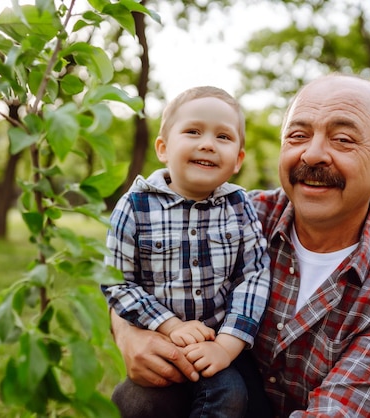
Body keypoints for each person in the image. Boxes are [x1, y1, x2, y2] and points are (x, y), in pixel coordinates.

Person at [108, 74, 370, 417]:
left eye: (343, 139)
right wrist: (130, 334)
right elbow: (125, 273)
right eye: (298, 136)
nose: (314, 154)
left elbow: (339, 410)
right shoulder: (235, 218)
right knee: (140, 398)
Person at [102, 86, 272, 417]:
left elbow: (253, 277)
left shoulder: (239, 207)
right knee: (135, 403)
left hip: (221, 345)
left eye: (223, 137)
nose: (207, 143)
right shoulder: (135, 206)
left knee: (234, 394)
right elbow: (115, 281)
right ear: (163, 148)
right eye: (193, 131)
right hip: (160, 343)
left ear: (238, 159)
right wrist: (170, 326)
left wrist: (226, 345)